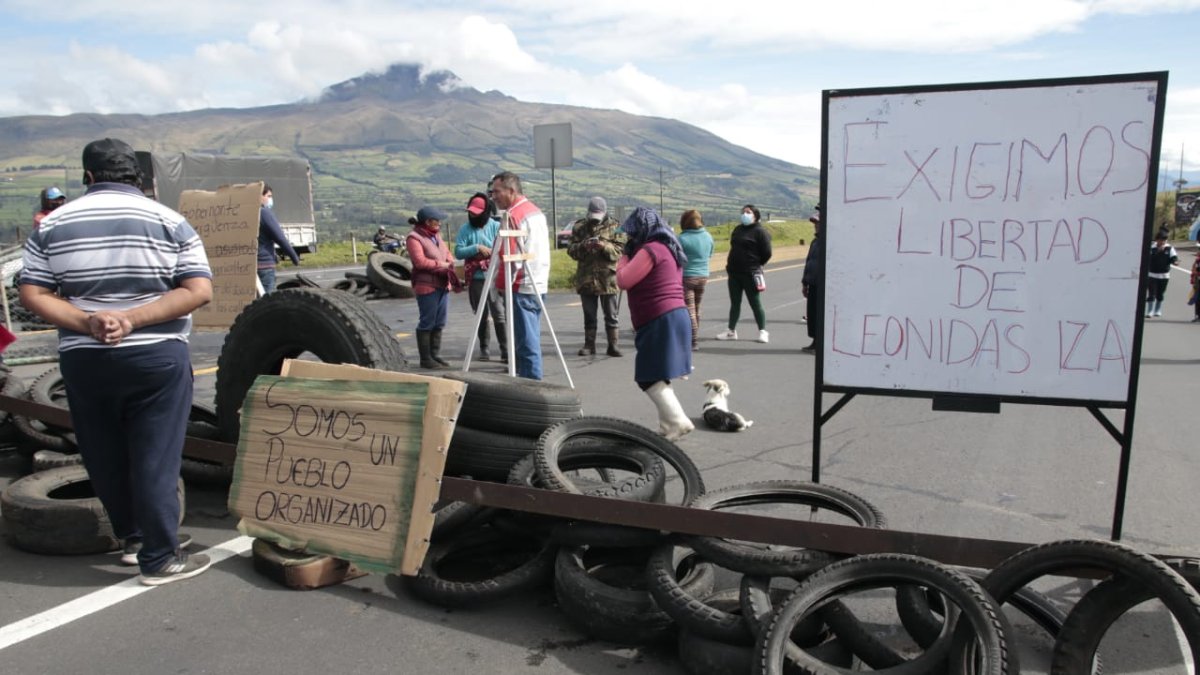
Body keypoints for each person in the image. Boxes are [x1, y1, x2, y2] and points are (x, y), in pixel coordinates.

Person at [19, 137, 213, 585]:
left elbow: (33, 293)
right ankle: (160, 557)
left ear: (88, 177)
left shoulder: (53, 224)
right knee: (155, 454)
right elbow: (198, 290)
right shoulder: (170, 220)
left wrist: (89, 322)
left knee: (104, 452)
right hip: (155, 355)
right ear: (138, 178)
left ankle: (134, 540)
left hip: (85, 359)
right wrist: (131, 319)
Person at [616, 206, 693, 440]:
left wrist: (623, 259)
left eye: (632, 232)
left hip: (659, 316)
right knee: (658, 372)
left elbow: (623, 280)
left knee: (647, 376)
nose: (630, 237)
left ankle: (678, 422)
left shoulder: (651, 249)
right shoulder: (669, 247)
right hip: (674, 315)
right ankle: (667, 425)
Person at [490, 171, 550, 380]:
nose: (493, 197)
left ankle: (531, 385)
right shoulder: (535, 212)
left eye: (497, 191)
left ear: (511, 191)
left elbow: (511, 258)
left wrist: (500, 284)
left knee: (525, 342)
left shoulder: (514, 216)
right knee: (528, 338)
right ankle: (528, 379)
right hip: (537, 280)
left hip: (521, 284)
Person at [567, 196, 625, 357]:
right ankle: (589, 345)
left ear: (605, 212)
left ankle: (613, 345)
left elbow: (620, 251)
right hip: (586, 278)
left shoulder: (616, 227)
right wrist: (583, 246)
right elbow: (571, 250)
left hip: (608, 279)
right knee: (589, 315)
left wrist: (604, 246)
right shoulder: (579, 227)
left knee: (611, 315)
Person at [455, 192, 507, 361]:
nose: (473, 215)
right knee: (480, 314)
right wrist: (476, 248)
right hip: (476, 278)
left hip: (494, 276)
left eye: (476, 213)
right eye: (470, 212)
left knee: (499, 312)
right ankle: (484, 348)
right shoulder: (465, 229)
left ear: (485, 212)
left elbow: (503, 247)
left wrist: (491, 252)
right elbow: (458, 251)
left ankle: (505, 349)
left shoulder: (496, 226)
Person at [407, 206, 461, 368]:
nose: (439, 223)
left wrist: (451, 263)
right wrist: (442, 264)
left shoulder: (436, 236)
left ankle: (435, 355)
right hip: (427, 286)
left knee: (439, 322)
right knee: (427, 321)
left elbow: (447, 254)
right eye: (436, 220)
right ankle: (425, 359)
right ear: (427, 221)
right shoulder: (414, 238)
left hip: (442, 284)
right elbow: (420, 262)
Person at [715, 204, 772, 343]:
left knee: (755, 303)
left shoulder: (760, 232)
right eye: (743, 212)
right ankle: (731, 331)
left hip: (750, 273)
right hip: (734, 272)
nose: (745, 214)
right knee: (735, 303)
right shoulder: (738, 229)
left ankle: (762, 331)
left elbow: (767, 253)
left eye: (748, 212)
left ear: (755, 215)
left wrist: (757, 264)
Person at [678, 210, 714, 351]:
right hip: (703, 276)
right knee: (697, 308)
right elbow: (710, 254)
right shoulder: (708, 236)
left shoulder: (682, 239)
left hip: (687, 277)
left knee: (689, 310)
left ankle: (693, 340)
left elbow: (677, 258)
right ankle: (694, 334)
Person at [257, 183, 300, 293]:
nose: (270, 200)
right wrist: (294, 257)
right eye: (268, 196)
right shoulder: (264, 213)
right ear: (260, 196)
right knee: (267, 298)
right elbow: (280, 238)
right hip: (264, 264)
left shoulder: (247, 213)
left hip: (251, 265)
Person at [801, 204, 823, 352]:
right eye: (815, 223)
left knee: (821, 315)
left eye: (818, 223)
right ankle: (815, 341)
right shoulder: (815, 242)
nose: (816, 226)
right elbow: (809, 262)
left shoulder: (828, 241)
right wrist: (805, 282)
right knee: (813, 314)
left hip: (823, 285)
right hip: (813, 283)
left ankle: (821, 344)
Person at [1146, 227, 1178, 318]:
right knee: (1151, 294)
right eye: (1161, 240)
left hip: (1164, 276)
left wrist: (1175, 262)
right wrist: (1158, 252)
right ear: (1157, 240)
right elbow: (1147, 259)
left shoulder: (1169, 248)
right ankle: (1150, 311)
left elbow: (1174, 258)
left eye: (1164, 240)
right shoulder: (1152, 248)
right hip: (1152, 275)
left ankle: (1158, 310)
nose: (1162, 242)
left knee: (1160, 294)